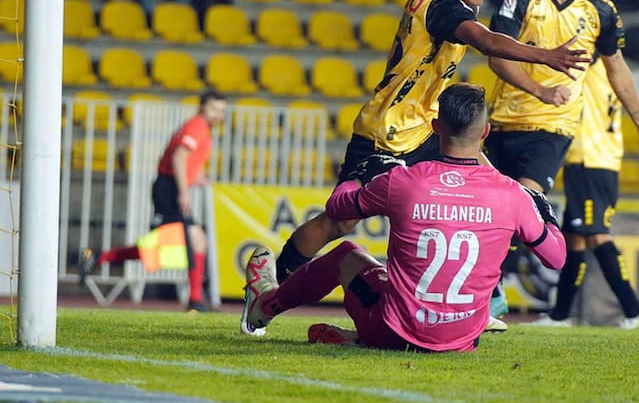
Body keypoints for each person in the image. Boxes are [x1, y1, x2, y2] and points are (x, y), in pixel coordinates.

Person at [267, 0, 589, 310]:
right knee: (338, 223)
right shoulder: (441, 7)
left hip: (426, 130)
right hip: (386, 133)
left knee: (487, 187)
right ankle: (274, 286)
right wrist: (545, 56)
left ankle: (487, 299)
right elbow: (485, 42)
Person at [241, 83, 567, 351]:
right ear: (485, 132)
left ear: (435, 127)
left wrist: (359, 174)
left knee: (345, 255)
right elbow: (556, 257)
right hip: (464, 338)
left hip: (396, 329)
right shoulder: (511, 193)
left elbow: (337, 208)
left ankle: (265, 307)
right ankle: (362, 338)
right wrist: (545, 213)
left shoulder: (404, 181)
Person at [482, 0, 639, 316]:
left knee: (523, 200)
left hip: (553, 127)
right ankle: (490, 289)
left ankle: (498, 291)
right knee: (489, 209)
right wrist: (541, 89)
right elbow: (496, 56)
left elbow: (617, 68)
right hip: (504, 120)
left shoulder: (600, 10)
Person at [526, 61, 639, 329]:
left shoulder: (590, 70)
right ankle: (560, 316)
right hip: (599, 160)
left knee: (597, 235)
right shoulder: (614, 71)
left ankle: (634, 311)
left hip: (590, 159)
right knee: (576, 240)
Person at [79, 90, 227, 312]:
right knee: (172, 244)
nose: (218, 115)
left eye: (222, 111)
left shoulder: (201, 128)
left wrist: (194, 177)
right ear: (202, 107)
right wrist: (184, 190)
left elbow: (181, 160)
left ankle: (99, 257)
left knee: (183, 242)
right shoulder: (197, 126)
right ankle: (195, 299)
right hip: (169, 189)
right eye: (214, 109)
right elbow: (179, 157)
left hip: (170, 185)